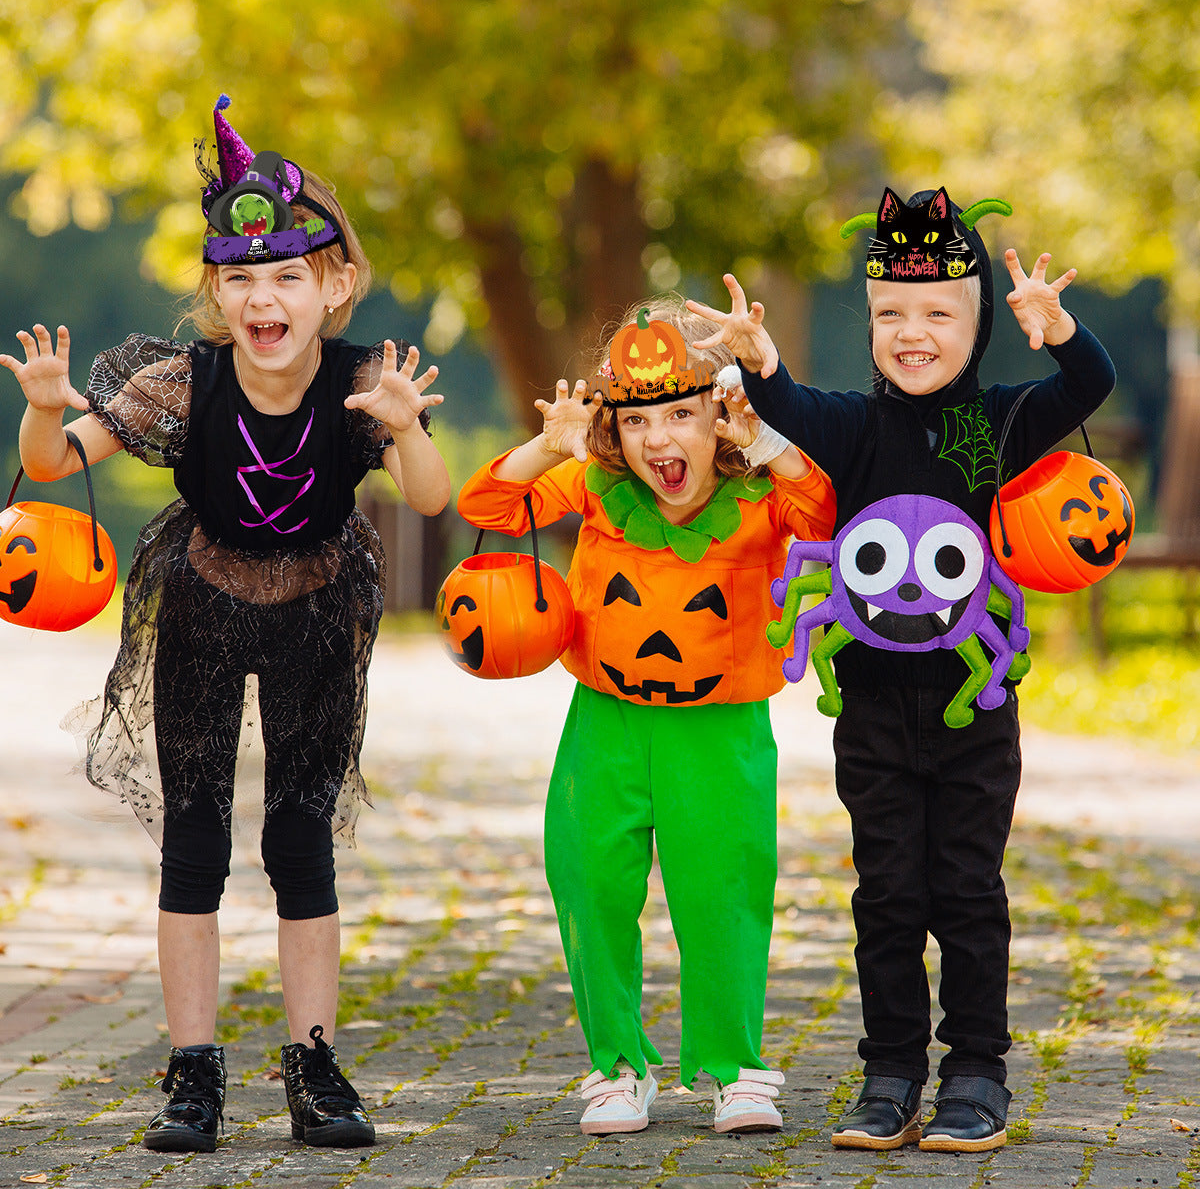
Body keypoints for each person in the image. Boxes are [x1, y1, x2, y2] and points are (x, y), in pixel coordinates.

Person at [0, 96, 450, 1153]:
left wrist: (405, 432)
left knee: (302, 843)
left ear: (333, 285)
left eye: (289, 276)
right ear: (216, 293)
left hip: (316, 611)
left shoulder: (363, 386)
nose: (265, 298)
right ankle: (193, 1069)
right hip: (201, 602)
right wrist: (43, 403)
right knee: (194, 844)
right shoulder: (181, 384)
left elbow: (431, 498)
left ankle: (315, 1064)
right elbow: (58, 462)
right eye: (241, 279)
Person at [687, 187, 1116, 1153]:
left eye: (937, 314)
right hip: (873, 708)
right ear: (870, 322)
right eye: (890, 313)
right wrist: (759, 363)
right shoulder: (850, 428)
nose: (911, 333)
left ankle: (976, 1071)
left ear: (974, 326)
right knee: (886, 893)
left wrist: (1058, 330)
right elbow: (785, 406)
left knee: (967, 888)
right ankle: (889, 1072)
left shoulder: (1001, 424)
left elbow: (1089, 386)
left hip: (976, 707)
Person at [456, 299, 836, 1135]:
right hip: (608, 722)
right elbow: (487, 506)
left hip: (721, 728)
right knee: (591, 882)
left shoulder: (759, 493)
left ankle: (732, 1066)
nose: (660, 440)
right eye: (637, 422)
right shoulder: (596, 486)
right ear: (613, 432)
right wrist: (545, 446)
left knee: (724, 891)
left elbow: (824, 514)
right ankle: (616, 1065)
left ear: (718, 418)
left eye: (681, 415)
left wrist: (769, 441)